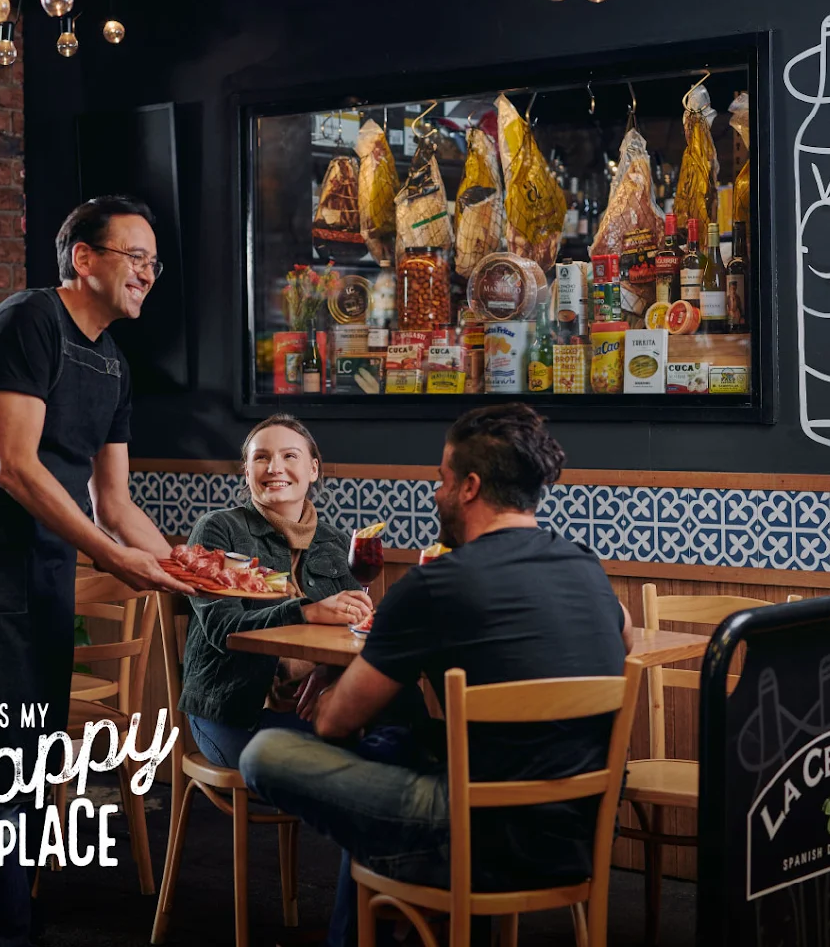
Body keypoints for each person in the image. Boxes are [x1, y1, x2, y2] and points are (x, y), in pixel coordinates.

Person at [0, 195, 193, 947]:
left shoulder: (112, 363)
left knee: (31, 769)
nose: (148, 274)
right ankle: (7, 936)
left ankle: (17, 919)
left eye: (154, 263)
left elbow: (115, 499)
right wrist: (111, 556)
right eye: (135, 257)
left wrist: (189, 567)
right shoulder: (26, 324)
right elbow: (14, 468)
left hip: (43, 579)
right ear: (84, 257)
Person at [240, 403, 634, 942]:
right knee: (395, 741)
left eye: (441, 480)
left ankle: (391, 914)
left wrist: (329, 687)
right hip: (582, 836)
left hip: (478, 838)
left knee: (267, 754)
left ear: (470, 487)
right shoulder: (587, 567)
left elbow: (332, 724)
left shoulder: (434, 586)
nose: (435, 493)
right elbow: (625, 639)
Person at [180, 413, 372, 768]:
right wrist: (306, 610)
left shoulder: (336, 542)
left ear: (313, 469)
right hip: (234, 711)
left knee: (398, 731)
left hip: (317, 706)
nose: (274, 467)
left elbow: (359, 632)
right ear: (247, 470)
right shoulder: (217, 530)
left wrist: (331, 674)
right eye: (261, 457)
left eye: (289, 456)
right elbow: (224, 629)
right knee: (355, 760)